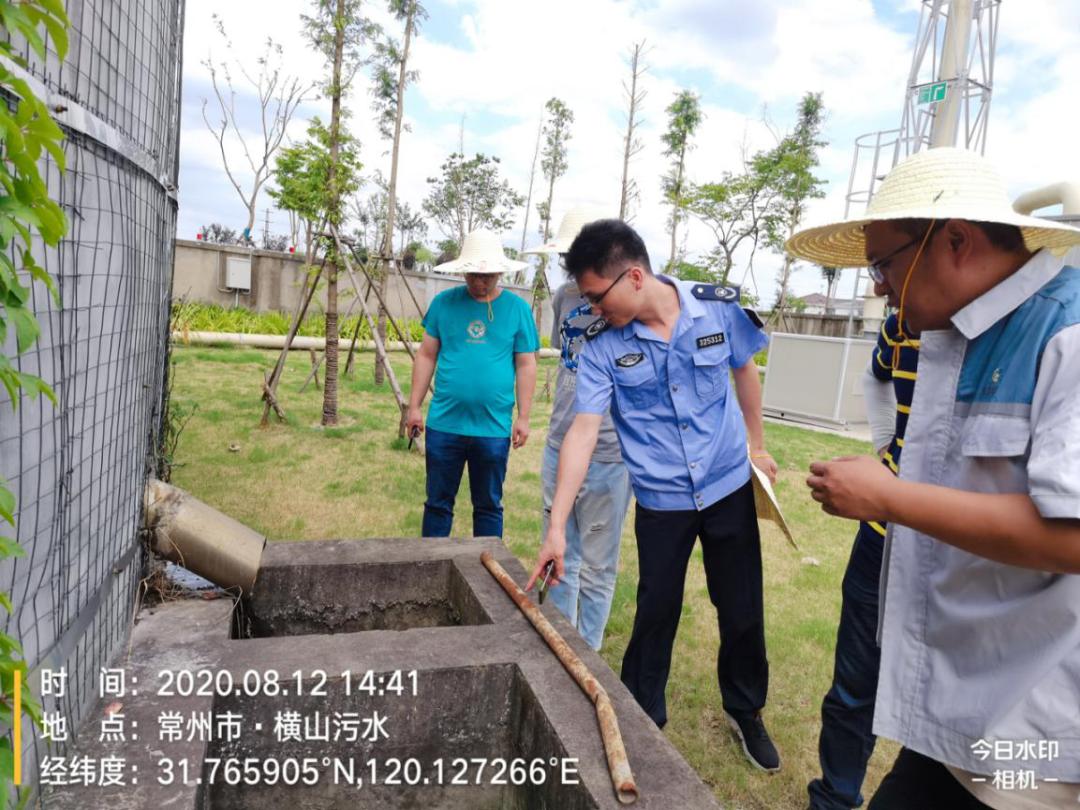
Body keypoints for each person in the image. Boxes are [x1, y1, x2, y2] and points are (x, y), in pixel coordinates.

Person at [789, 146, 1080, 809]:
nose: (877, 286)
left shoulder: (1067, 333)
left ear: (953, 240)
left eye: (883, 263)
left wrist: (889, 497)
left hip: (1034, 742)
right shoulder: (960, 330)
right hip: (965, 709)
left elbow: (1074, 537)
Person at [528, 219, 783, 772]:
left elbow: (746, 369)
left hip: (726, 485)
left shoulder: (717, 309)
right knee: (656, 611)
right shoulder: (601, 344)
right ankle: (645, 717)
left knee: (741, 608)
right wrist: (556, 527)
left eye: (597, 295)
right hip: (663, 499)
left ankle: (746, 709)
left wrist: (756, 445)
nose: (593, 309)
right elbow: (583, 429)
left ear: (635, 276)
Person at [808, 311, 919, 810]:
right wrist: (883, 447)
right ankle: (835, 796)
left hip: (959, 551)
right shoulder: (900, 324)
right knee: (854, 683)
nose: (877, 286)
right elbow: (874, 379)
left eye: (883, 265)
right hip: (879, 537)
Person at [523, 205, 634, 651]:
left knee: (599, 563)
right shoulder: (563, 298)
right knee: (558, 545)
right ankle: (562, 640)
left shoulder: (626, 301)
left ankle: (588, 651)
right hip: (559, 441)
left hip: (609, 451)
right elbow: (565, 357)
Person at [406, 229, 539, 538]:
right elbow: (426, 355)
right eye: (475, 275)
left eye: (489, 275)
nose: (481, 282)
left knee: (489, 505)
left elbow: (526, 363)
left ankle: (488, 579)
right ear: (463, 270)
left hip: (492, 429)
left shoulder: (517, 309)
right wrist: (414, 407)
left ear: (500, 272)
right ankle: (433, 567)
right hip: (444, 424)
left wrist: (524, 416)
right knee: (438, 504)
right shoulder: (444, 303)